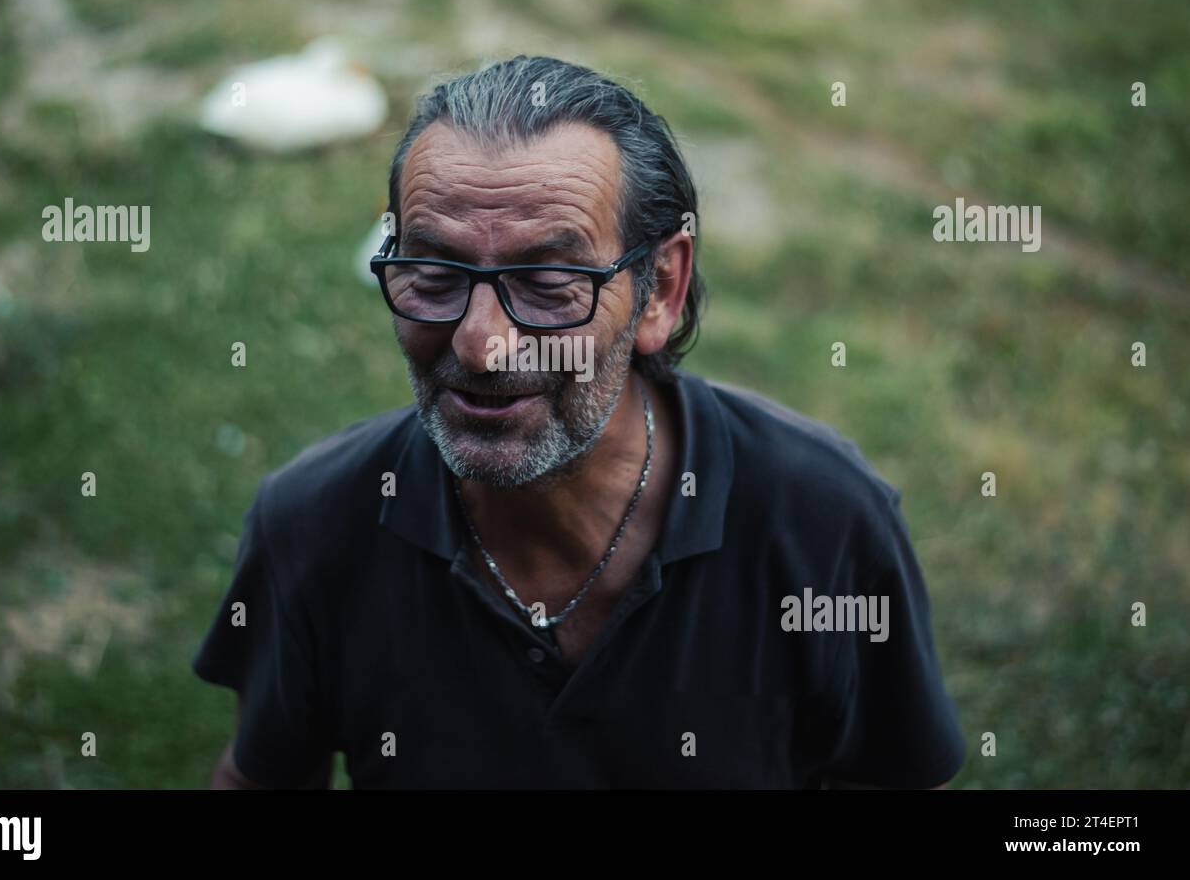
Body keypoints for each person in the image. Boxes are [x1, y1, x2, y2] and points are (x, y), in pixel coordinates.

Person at [192, 55, 965, 789]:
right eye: (434, 273)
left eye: (547, 282)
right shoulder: (315, 526)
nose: (479, 343)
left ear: (661, 288)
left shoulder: (826, 521)